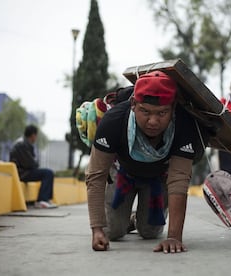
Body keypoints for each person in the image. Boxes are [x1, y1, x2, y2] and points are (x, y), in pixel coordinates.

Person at [85, 70, 206, 254]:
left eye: (162, 113)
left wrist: (174, 237)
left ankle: (135, 220)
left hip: (158, 177)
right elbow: (96, 175)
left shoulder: (184, 124)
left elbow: (179, 180)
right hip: (122, 172)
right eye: (145, 111)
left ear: (173, 108)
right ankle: (122, 221)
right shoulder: (113, 121)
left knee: (150, 232)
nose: (153, 121)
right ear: (133, 104)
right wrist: (97, 230)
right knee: (113, 231)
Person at [10, 125, 57, 209]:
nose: (35, 138)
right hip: (22, 173)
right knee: (48, 173)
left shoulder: (24, 143)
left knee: (48, 173)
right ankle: (41, 200)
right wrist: (35, 164)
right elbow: (29, 163)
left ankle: (46, 199)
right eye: (36, 136)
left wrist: (34, 164)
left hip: (23, 171)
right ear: (33, 135)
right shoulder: (22, 144)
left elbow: (30, 162)